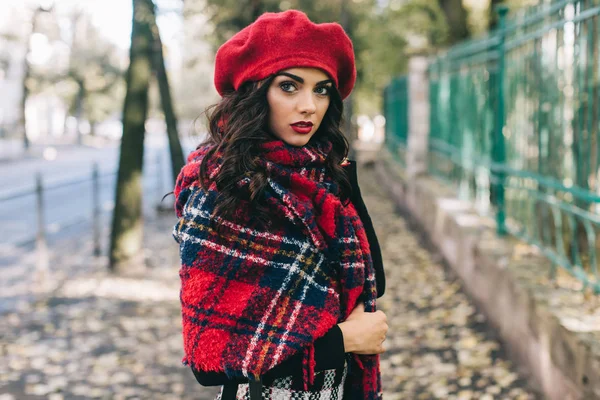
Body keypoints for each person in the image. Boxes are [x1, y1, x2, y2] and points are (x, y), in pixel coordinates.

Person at [172, 10, 387, 400]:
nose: (309, 105)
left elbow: (368, 285)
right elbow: (210, 363)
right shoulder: (221, 190)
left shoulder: (320, 178)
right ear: (256, 93)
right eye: (290, 87)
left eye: (322, 89)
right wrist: (344, 341)